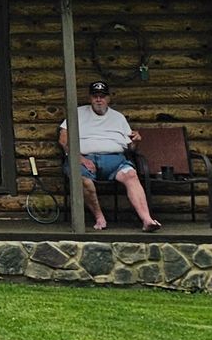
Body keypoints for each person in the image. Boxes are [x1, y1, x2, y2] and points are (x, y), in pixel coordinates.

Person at [60, 80, 160, 231]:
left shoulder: (118, 117)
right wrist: (80, 159)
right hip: (84, 160)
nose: (99, 99)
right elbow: (63, 140)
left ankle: (147, 220)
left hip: (115, 160)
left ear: (108, 99)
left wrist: (136, 140)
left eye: (102, 96)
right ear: (90, 98)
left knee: (131, 174)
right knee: (82, 180)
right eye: (95, 96)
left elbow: (130, 147)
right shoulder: (77, 113)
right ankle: (99, 217)